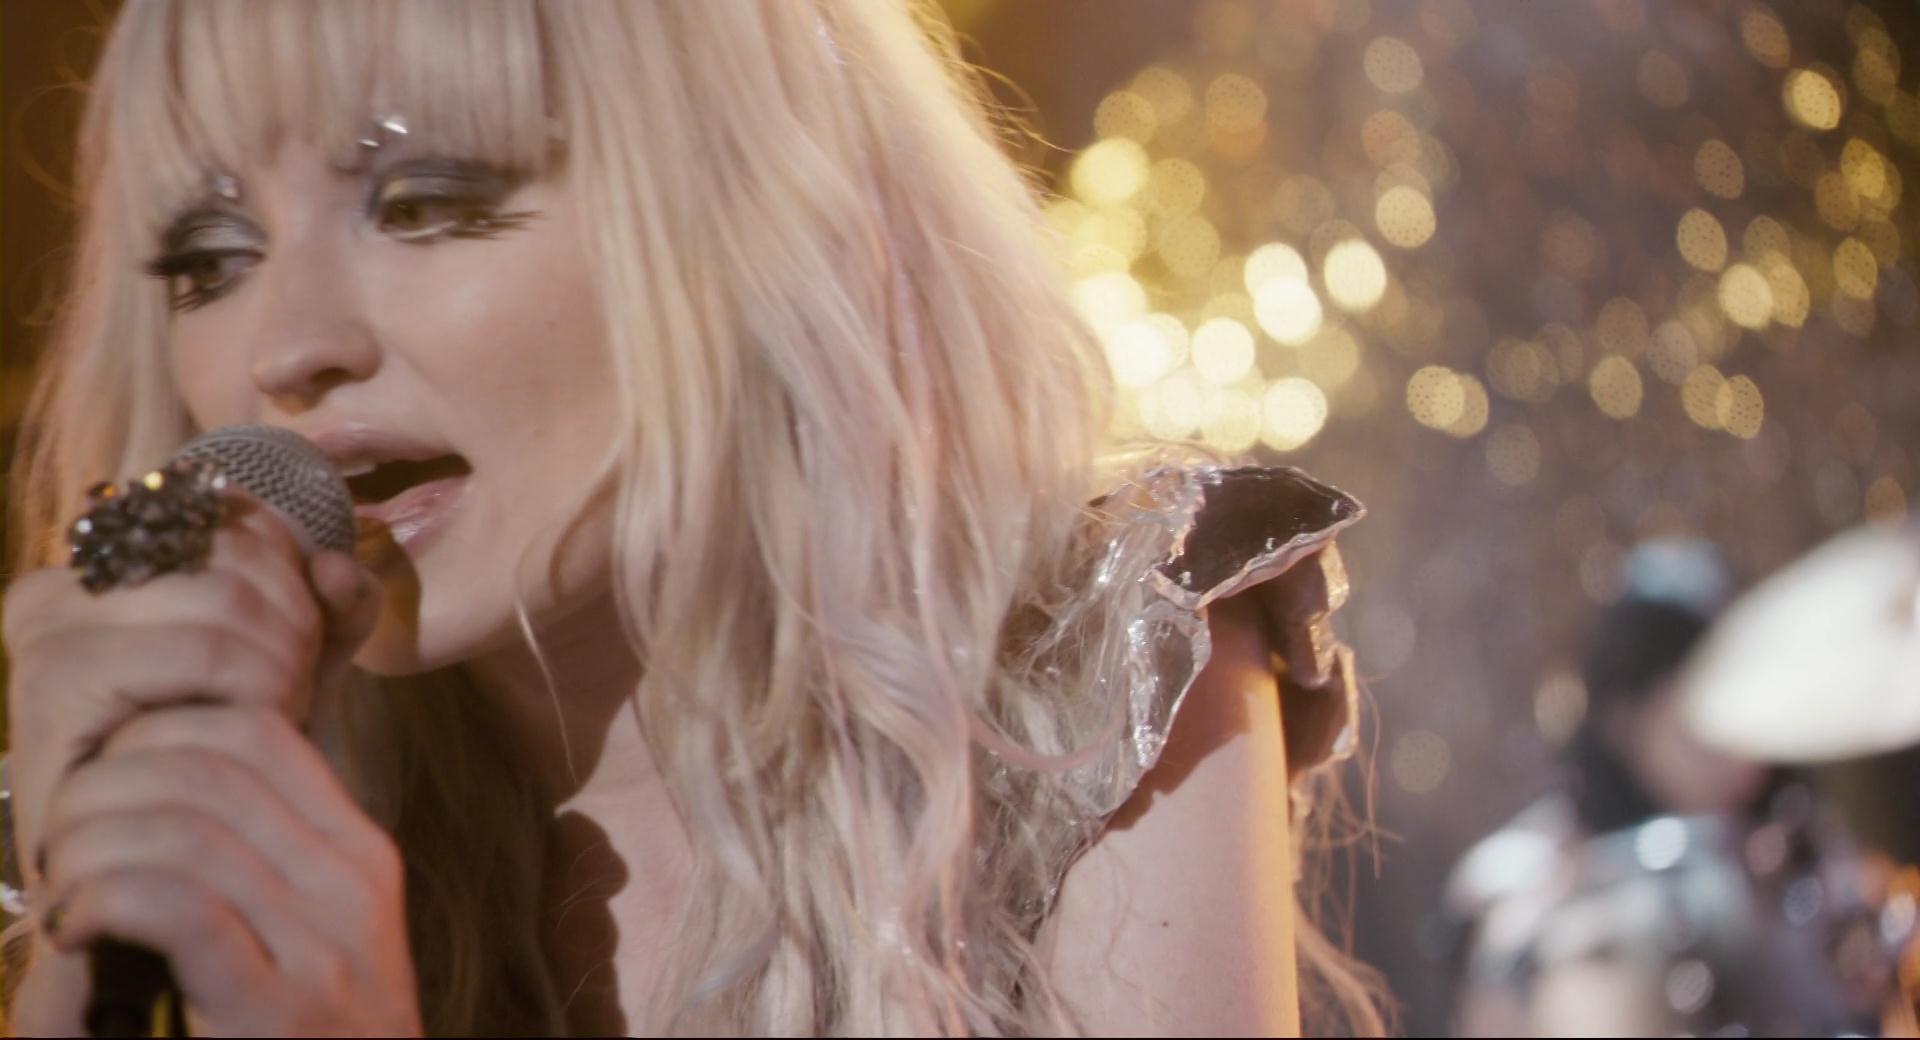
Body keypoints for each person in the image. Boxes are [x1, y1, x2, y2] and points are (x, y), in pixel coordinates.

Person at [1, 1, 1381, 1035]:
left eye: (424, 203)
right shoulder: (187, 790)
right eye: (210, 260)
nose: (285, 347)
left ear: (740, 206)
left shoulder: (1087, 655)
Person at [1444, 540, 1894, 1036]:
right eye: (1704, 716)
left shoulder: (1809, 848)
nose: (1742, 744)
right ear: (1623, 720)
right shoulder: (1531, 879)